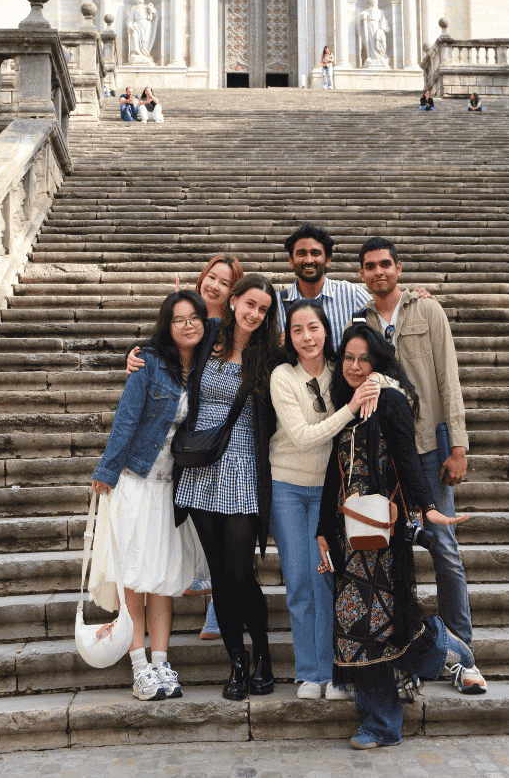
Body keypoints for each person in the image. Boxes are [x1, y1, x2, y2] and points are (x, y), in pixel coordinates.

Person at [317, 324, 479, 750]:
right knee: (359, 625)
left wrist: (427, 508)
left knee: (376, 625)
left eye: (363, 358)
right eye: (348, 358)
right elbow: (334, 473)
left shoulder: (389, 398)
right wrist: (320, 531)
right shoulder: (345, 401)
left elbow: (407, 459)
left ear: (379, 360)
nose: (354, 367)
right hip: (347, 532)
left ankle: (381, 724)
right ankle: (439, 642)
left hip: (384, 533)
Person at [349, 236, 487, 692]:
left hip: (428, 445)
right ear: (362, 273)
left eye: (385, 264)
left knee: (444, 548)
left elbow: (449, 376)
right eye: (370, 266)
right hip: (384, 454)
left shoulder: (428, 311)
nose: (378, 272)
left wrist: (459, 446)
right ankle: (401, 651)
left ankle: (462, 651)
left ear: (399, 268)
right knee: (390, 550)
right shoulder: (358, 318)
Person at [89, 290, 209, 702]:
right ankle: (140, 666)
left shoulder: (208, 366)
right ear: (167, 325)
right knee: (135, 578)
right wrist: (106, 470)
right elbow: (126, 419)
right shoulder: (149, 363)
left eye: (195, 317)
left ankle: (162, 662)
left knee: (162, 579)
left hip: (173, 489)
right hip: (135, 482)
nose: (189, 324)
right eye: (179, 319)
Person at [128, 254, 245, 641]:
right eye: (211, 277)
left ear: (233, 293)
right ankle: (200, 582)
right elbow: (159, 348)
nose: (214, 285)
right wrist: (134, 353)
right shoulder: (186, 318)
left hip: (219, 443)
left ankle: (217, 606)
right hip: (182, 445)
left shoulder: (231, 328)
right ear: (201, 279)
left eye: (224, 282)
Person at [174, 274, 281, 701]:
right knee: (219, 574)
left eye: (263, 309)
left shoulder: (269, 356)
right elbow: (166, 344)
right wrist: (136, 354)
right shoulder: (208, 337)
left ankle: (264, 656)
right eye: (250, 304)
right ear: (234, 301)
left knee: (240, 573)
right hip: (201, 464)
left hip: (242, 466)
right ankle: (237, 662)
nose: (255, 314)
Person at [269, 300, 380, 701]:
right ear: (289, 338)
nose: (307, 337)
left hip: (330, 491)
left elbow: (383, 380)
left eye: (313, 328)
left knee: (326, 580)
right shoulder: (282, 376)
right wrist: (349, 409)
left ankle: (335, 673)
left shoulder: (343, 371)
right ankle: (308, 673)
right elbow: (301, 436)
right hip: (287, 488)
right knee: (299, 581)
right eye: (298, 330)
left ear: (325, 330)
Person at [278, 225, 371, 348]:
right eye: (301, 254)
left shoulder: (353, 295)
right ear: (291, 261)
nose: (309, 260)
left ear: (327, 260)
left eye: (315, 253)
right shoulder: (277, 304)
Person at [359, 0, 389, 67]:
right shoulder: (367, 10)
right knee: (370, 41)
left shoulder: (380, 11)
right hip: (369, 26)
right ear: (370, 3)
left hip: (377, 26)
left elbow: (382, 20)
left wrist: (381, 29)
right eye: (372, 2)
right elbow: (361, 17)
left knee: (379, 41)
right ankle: (371, 56)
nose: (373, 3)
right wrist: (363, 16)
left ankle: (380, 56)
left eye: (375, 2)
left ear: (377, 3)